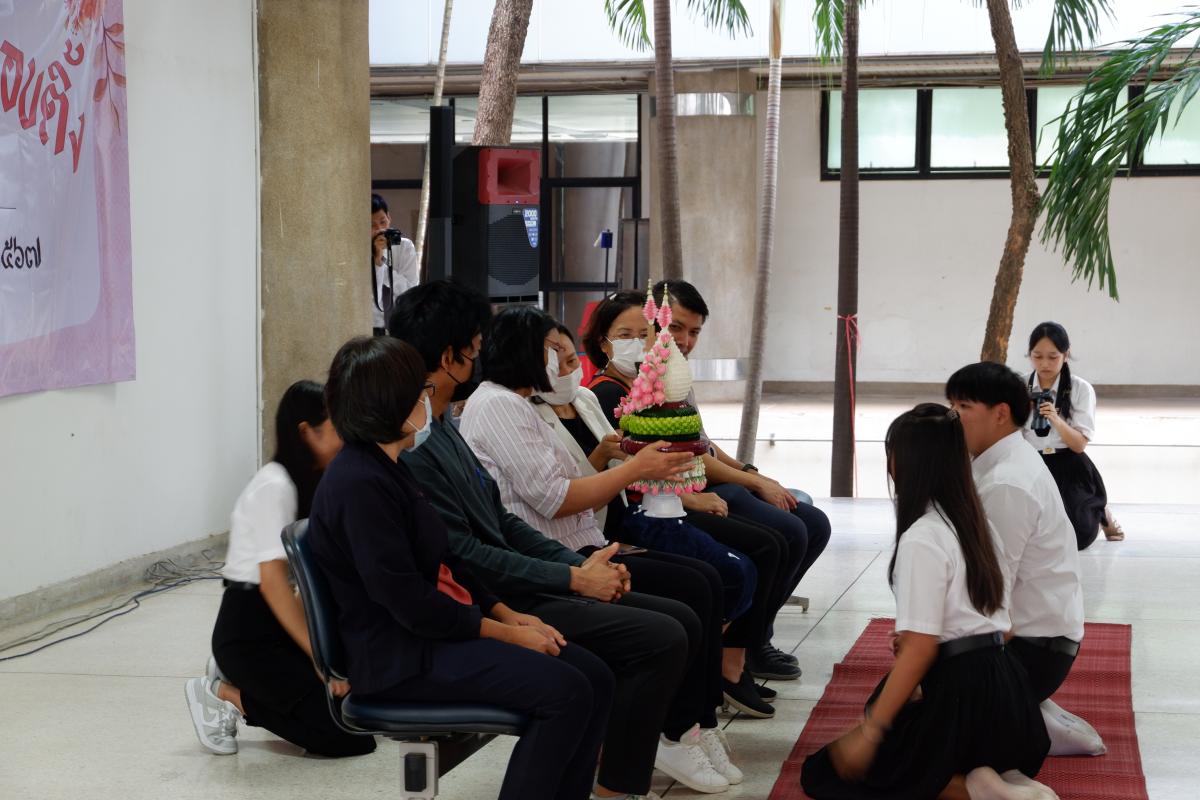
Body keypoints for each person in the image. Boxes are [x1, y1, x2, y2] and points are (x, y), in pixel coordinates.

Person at [389, 279, 700, 800]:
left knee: (677, 619)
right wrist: (572, 577)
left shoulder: (441, 424)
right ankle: (619, 783)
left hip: (512, 577)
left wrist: (577, 569)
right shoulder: (418, 440)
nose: (481, 357)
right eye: (475, 347)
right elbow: (464, 553)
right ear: (450, 357)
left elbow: (500, 521)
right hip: (494, 596)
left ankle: (619, 775)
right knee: (658, 636)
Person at [308, 336, 612, 800]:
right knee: (566, 691)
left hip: (430, 637)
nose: (426, 399)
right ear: (391, 404)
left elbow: (446, 560)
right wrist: (506, 635)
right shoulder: (358, 484)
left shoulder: (390, 466)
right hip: (399, 658)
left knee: (594, 675)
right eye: (420, 390)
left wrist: (508, 614)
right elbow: (410, 603)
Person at [461, 305, 751, 791]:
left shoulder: (527, 403)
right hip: (552, 560)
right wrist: (635, 471)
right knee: (678, 614)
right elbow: (554, 499)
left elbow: (562, 487)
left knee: (702, 584)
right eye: (552, 350)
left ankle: (690, 726)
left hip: (579, 544)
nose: (563, 363)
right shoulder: (497, 406)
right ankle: (662, 742)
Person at [801, 404, 1052, 800]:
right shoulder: (979, 526)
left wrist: (870, 731)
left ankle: (972, 788)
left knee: (825, 773)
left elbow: (920, 650)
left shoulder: (922, 537)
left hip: (963, 698)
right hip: (1010, 700)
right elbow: (1006, 629)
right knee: (893, 709)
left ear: (903, 463)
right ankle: (999, 775)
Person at [583, 287, 817, 687]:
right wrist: (703, 491)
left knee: (802, 526)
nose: (642, 343)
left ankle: (747, 645)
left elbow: (697, 443)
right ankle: (731, 659)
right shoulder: (609, 393)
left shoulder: (659, 380)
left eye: (644, 334)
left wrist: (747, 472)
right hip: (654, 505)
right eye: (626, 335)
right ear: (603, 341)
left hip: (683, 491)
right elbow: (640, 463)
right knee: (769, 544)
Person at [650, 280, 833, 680]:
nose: (684, 340)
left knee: (814, 523)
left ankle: (756, 634)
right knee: (785, 533)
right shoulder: (644, 382)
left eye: (694, 332)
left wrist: (751, 472)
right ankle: (740, 649)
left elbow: (703, 443)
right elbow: (688, 456)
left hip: (704, 483)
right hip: (676, 496)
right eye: (675, 327)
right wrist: (752, 482)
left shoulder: (676, 374)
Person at [184, 380, 375, 758]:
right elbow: (273, 585)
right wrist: (320, 662)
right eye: (335, 429)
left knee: (358, 714)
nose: (343, 440)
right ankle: (224, 693)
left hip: (278, 628)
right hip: (247, 637)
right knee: (347, 739)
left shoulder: (310, 483)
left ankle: (241, 682)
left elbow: (306, 582)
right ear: (306, 432)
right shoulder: (274, 486)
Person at [947, 362, 1105, 757]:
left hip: (1034, 650)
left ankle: (1025, 722)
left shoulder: (1006, 483)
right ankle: (1024, 707)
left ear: (1000, 413)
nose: (953, 417)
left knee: (910, 716)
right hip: (1038, 639)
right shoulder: (1005, 460)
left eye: (963, 407)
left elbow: (990, 597)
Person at [1024, 321, 1122, 548]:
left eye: (1053, 357)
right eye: (1037, 357)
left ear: (1066, 355)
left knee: (1078, 536)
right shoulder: (1020, 386)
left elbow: (1078, 445)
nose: (1044, 364)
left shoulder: (1080, 389)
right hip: (1030, 463)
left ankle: (1100, 512)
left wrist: (1056, 419)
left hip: (1067, 462)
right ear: (1030, 355)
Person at [370, 193, 419, 335]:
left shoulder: (404, 246)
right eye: (372, 225)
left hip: (400, 325)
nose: (379, 229)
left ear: (389, 218)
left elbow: (410, 291)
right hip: (371, 324)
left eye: (383, 222)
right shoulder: (357, 251)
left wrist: (380, 263)